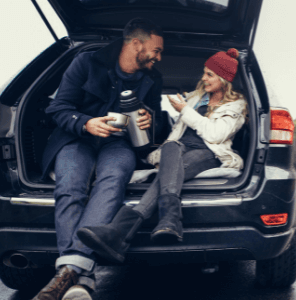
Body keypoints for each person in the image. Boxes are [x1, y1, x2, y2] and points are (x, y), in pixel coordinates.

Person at [33, 18, 164, 300]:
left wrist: (150, 120)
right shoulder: (85, 62)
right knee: (69, 187)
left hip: (120, 144)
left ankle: (68, 271)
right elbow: (58, 108)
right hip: (75, 138)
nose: (159, 57)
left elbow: (159, 125)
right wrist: (85, 123)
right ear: (136, 44)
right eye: (157, 50)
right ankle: (83, 276)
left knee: (113, 180)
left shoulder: (153, 79)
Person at [76, 48, 247, 264]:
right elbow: (175, 134)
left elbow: (215, 135)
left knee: (165, 174)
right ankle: (169, 218)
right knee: (171, 148)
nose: (203, 78)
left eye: (209, 74)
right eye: (204, 73)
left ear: (224, 79)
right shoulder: (196, 98)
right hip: (177, 150)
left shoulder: (236, 105)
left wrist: (185, 110)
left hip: (209, 153)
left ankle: (120, 232)